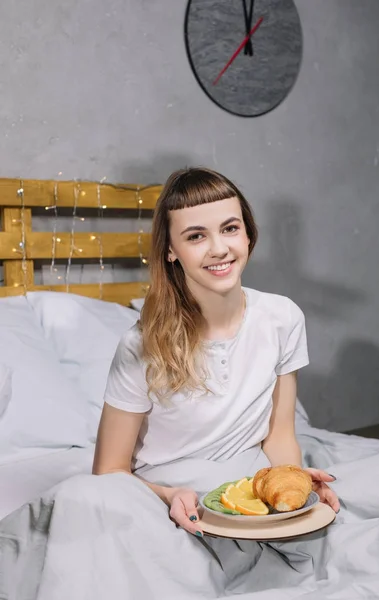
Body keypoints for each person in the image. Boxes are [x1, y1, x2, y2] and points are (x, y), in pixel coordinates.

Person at [93, 166, 340, 539]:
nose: (220, 248)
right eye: (196, 236)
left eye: (230, 228)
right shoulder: (141, 344)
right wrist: (168, 496)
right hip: (175, 500)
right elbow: (109, 472)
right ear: (171, 251)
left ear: (248, 234)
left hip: (251, 491)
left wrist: (291, 489)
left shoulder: (282, 317)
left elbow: (279, 435)